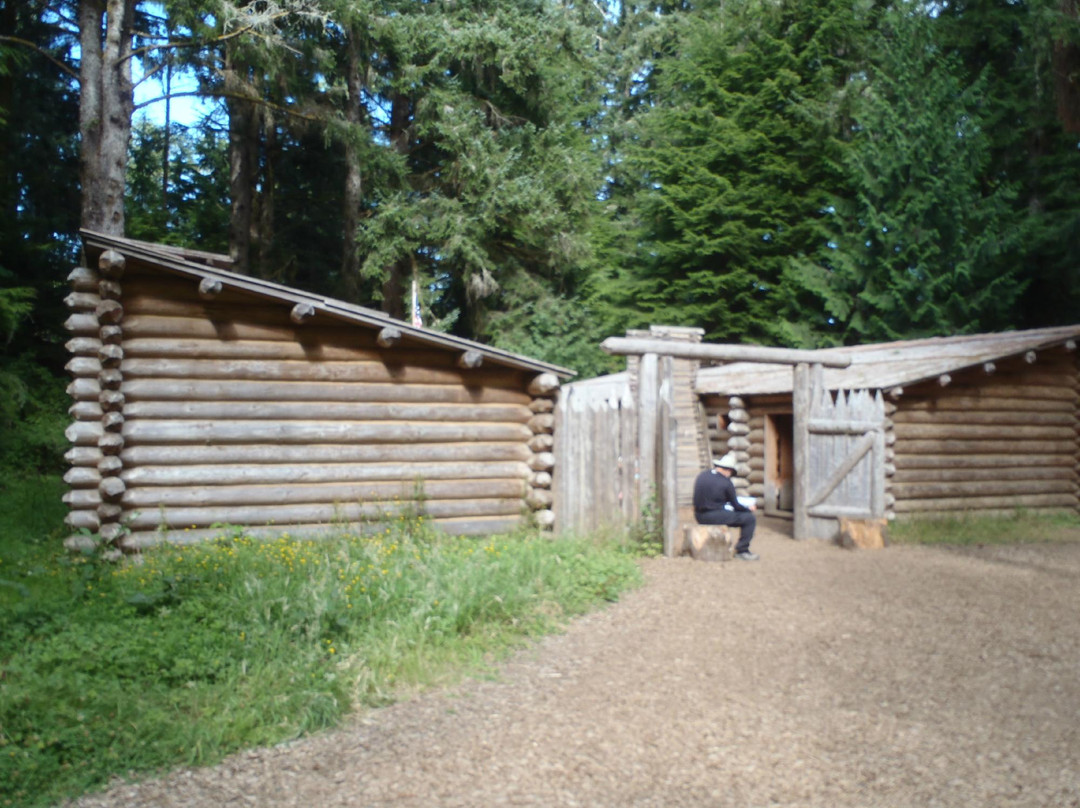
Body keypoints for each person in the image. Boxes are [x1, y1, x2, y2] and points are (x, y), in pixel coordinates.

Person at [693, 451, 759, 561]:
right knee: (749, 519)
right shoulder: (725, 482)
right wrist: (748, 509)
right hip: (713, 516)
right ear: (729, 470)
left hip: (698, 515)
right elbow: (736, 505)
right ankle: (742, 550)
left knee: (730, 514)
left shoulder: (703, 475)